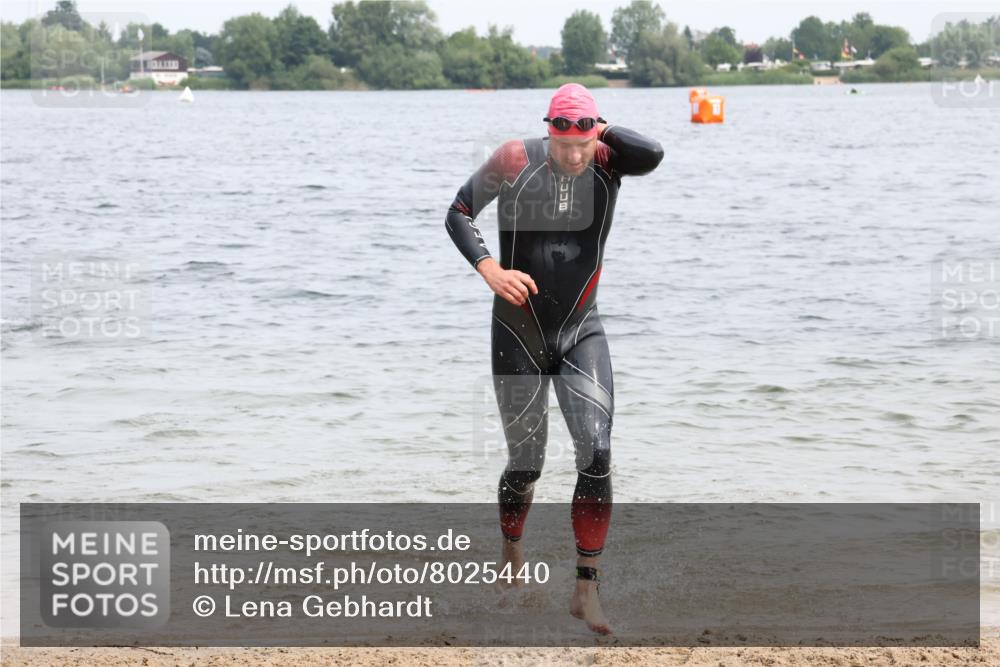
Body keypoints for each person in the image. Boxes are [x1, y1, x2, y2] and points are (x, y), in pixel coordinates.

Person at [445, 83, 663, 635]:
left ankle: (586, 590)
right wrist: (489, 269)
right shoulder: (517, 159)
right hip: (517, 330)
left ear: (593, 136)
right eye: (563, 143)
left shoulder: (609, 160)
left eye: (582, 144)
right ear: (549, 132)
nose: (573, 157)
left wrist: (599, 127)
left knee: (597, 452)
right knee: (527, 463)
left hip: (581, 330)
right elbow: (459, 212)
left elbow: (653, 154)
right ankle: (511, 557)